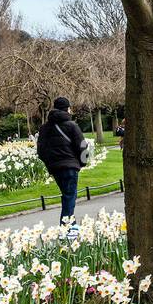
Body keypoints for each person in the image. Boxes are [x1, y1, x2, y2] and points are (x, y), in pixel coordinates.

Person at [36, 96, 87, 239]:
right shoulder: (71, 125)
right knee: (70, 195)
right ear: (67, 109)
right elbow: (82, 146)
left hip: (55, 167)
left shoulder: (45, 128)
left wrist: (49, 163)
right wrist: (82, 163)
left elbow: (41, 151)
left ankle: (72, 223)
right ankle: (66, 229)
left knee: (68, 194)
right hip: (70, 165)